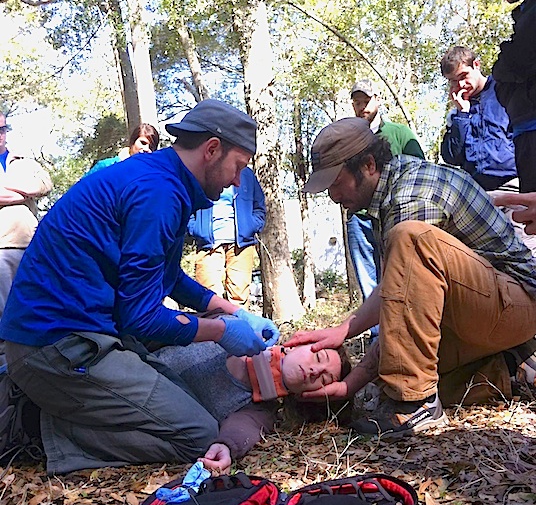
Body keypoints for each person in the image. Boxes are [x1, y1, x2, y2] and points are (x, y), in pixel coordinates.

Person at [0, 99, 280, 475]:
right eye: (238, 166)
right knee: (199, 434)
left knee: (186, 396)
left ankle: (57, 406)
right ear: (212, 149)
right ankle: (39, 429)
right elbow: (141, 318)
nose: (237, 180)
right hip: (55, 347)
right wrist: (220, 331)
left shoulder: (164, 181)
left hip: (83, 337)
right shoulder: (158, 194)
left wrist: (234, 310)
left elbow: (167, 275)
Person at [286, 117, 536, 439]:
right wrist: (353, 383)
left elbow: (395, 289)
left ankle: (416, 405)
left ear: (368, 165)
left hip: (519, 301)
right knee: (395, 374)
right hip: (487, 308)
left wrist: (343, 330)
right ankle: (508, 367)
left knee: (412, 238)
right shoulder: (389, 192)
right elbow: (399, 312)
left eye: (336, 183)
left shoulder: (408, 196)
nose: (333, 196)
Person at [154, 339, 350, 471]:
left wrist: (226, 447)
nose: (315, 370)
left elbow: (243, 429)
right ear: (297, 344)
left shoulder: (259, 409)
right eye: (318, 358)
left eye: (325, 379)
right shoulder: (232, 332)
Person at [347, 80, 425, 338]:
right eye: (356, 103)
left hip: (394, 216)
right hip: (360, 221)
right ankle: (378, 338)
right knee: (369, 282)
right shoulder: (348, 139)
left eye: (366, 101)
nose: (361, 107)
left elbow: (418, 171)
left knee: (398, 275)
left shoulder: (400, 133)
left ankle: (403, 334)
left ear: (378, 99)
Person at [476, 0, 536, 193]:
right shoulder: (524, 12)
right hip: (525, 133)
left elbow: (518, 58)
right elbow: (503, 74)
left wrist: (510, 65)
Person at [0, 113, 52, 367]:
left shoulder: (22, 160)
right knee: (3, 310)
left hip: (31, 244)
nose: (0, 134)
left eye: (2, 129)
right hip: (1, 247)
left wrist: (9, 187)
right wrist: (23, 191)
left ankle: (33, 358)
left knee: (33, 304)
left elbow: (44, 184)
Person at [440, 46, 516, 191]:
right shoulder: (457, 113)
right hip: (475, 192)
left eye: (463, 76)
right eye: (453, 81)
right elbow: (451, 157)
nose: (460, 85)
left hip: (513, 183)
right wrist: (462, 113)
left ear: (476, 65)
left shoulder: (505, 90)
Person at [188, 166, 265, 308]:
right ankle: (213, 329)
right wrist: (195, 229)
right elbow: (188, 203)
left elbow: (259, 206)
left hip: (241, 244)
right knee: (208, 298)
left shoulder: (246, 174)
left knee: (239, 299)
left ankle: (240, 330)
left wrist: (251, 226)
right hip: (208, 244)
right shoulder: (203, 171)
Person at [86, 123, 160, 174]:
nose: (146, 149)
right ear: (132, 142)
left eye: (151, 147)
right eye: (143, 143)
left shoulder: (152, 177)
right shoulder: (106, 166)